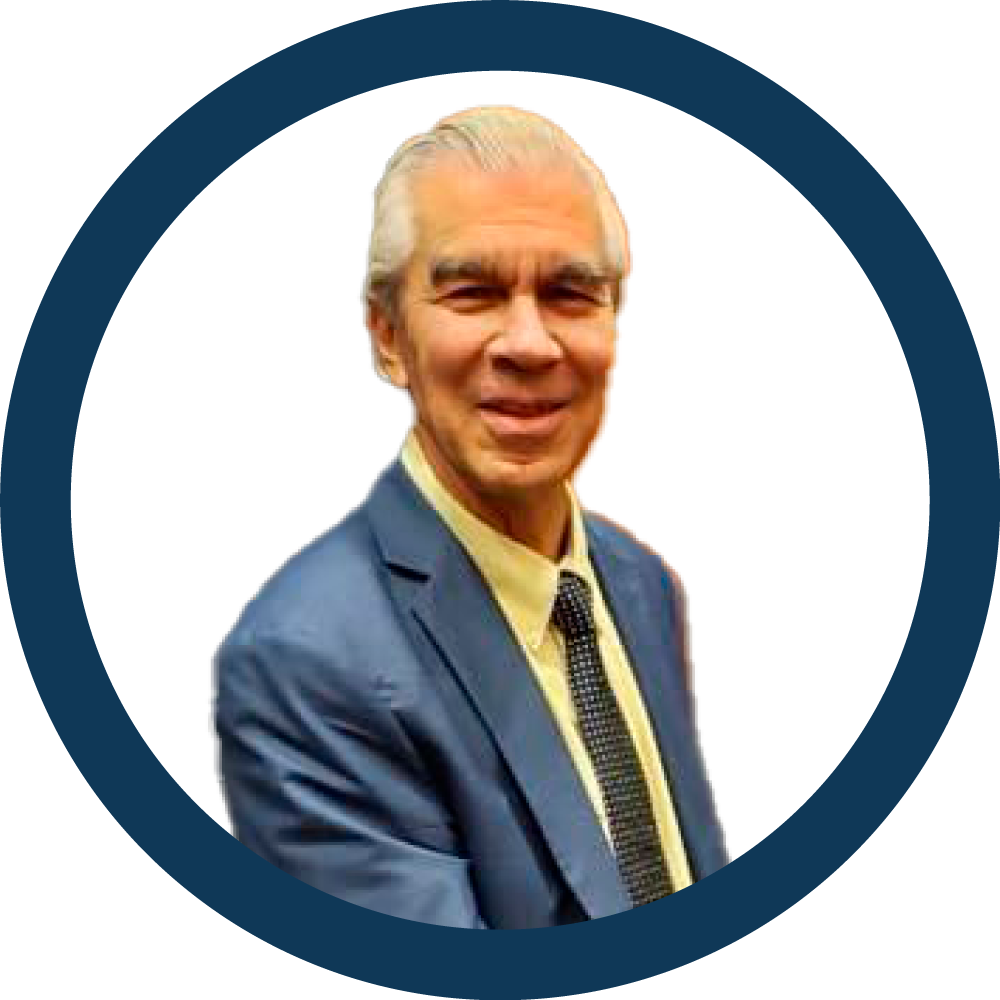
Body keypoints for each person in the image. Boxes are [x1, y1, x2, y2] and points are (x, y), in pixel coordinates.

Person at [214, 106, 727, 929]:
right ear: (388, 336)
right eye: (472, 293)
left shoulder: (639, 585)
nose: (530, 343)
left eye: (570, 294)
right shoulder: (305, 661)